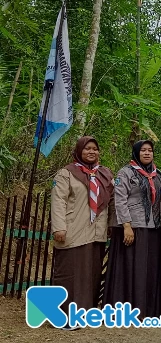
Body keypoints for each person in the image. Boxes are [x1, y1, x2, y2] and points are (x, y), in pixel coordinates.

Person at [51, 136, 115, 330]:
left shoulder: (104, 174)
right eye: (87, 148)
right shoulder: (66, 173)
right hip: (73, 229)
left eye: (95, 149)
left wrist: (112, 226)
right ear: (79, 150)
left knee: (91, 273)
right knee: (70, 273)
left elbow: (112, 201)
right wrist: (59, 227)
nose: (91, 152)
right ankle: (64, 316)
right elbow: (58, 200)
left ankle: (86, 313)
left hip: (97, 231)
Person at [104, 140, 161, 319]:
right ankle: (126, 309)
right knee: (130, 268)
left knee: (149, 268)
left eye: (150, 150)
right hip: (131, 227)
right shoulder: (126, 173)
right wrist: (126, 226)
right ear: (136, 153)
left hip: (153, 227)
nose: (147, 153)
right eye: (143, 151)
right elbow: (119, 199)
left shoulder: (159, 174)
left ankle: (148, 309)